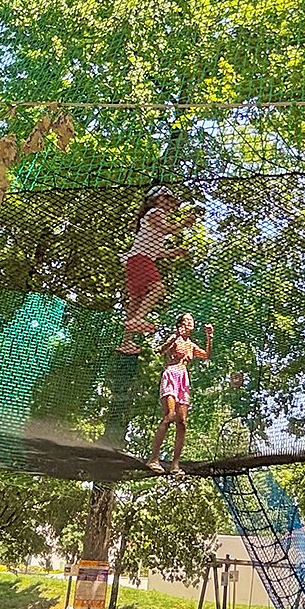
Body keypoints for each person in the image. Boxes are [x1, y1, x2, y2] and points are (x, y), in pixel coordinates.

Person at [121, 185, 196, 352]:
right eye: (167, 199)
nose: (171, 204)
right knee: (158, 289)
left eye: (172, 201)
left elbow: (157, 251)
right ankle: (138, 319)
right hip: (141, 260)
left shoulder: (153, 222)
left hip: (136, 261)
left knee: (136, 302)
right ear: (157, 199)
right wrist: (184, 223)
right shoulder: (156, 212)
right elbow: (167, 229)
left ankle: (126, 342)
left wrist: (175, 252)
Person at [147, 313, 213, 475]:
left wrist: (209, 337)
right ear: (181, 324)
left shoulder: (191, 344)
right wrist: (175, 336)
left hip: (183, 379)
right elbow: (161, 350)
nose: (191, 322)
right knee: (170, 415)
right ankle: (153, 459)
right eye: (188, 320)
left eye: (192, 320)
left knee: (182, 422)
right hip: (171, 374)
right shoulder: (174, 338)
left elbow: (206, 355)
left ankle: (175, 465)